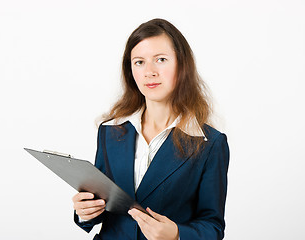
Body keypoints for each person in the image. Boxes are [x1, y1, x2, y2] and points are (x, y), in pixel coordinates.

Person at [72, 18, 229, 240]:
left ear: (182, 65)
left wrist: (176, 234)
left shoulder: (210, 143)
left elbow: (212, 227)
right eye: (139, 62)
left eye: (161, 60)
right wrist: (86, 213)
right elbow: (99, 204)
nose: (149, 72)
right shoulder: (111, 131)